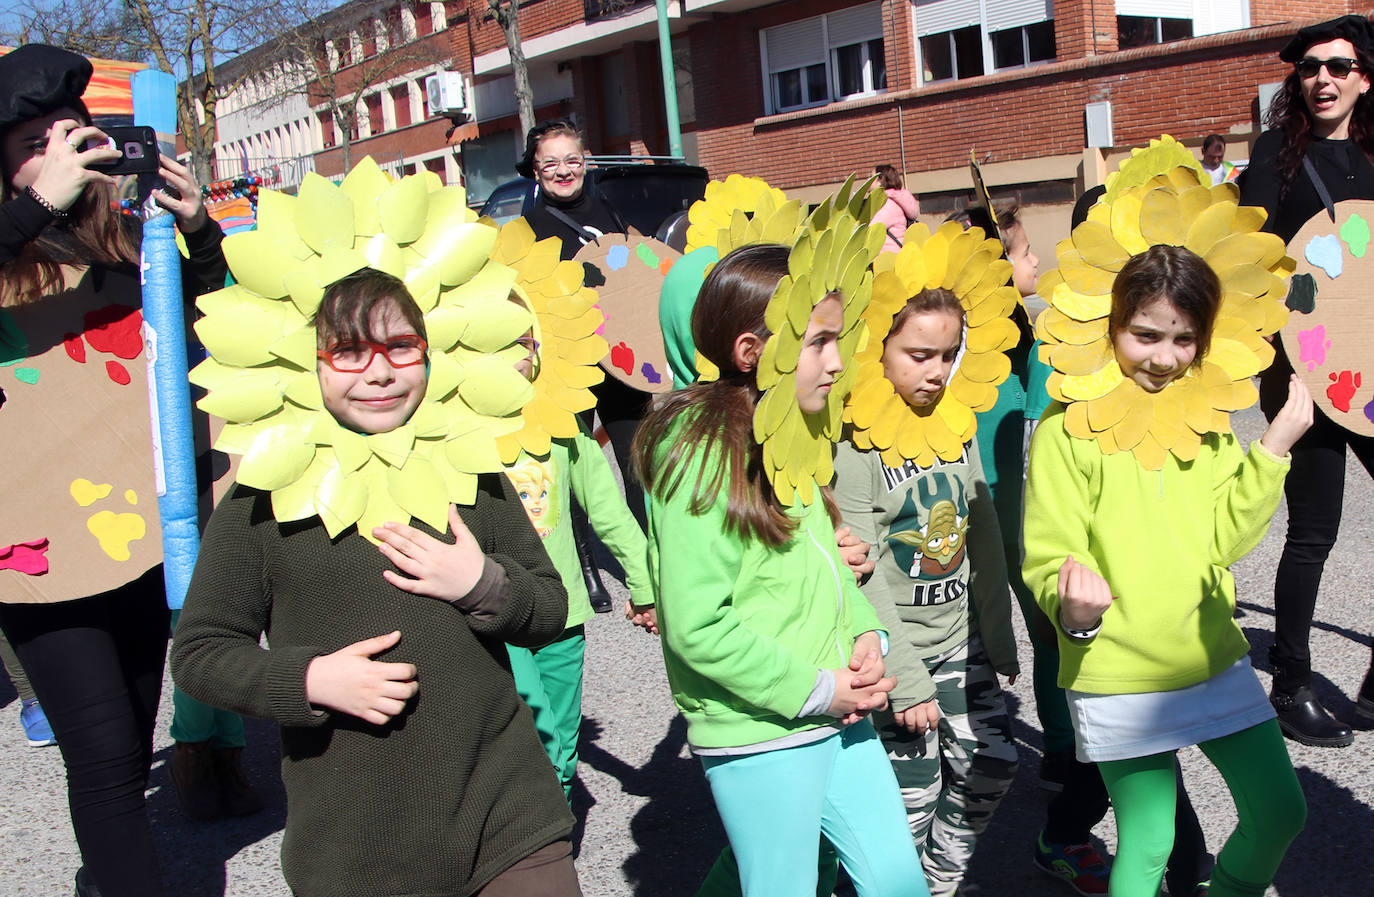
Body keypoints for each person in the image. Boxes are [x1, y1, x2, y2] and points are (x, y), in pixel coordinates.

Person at [171, 268, 581, 897]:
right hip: (356, 845)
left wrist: (482, 584)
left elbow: (551, 608)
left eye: (400, 347)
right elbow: (201, 653)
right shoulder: (262, 497)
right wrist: (309, 679)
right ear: (308, 363)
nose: (380, 372)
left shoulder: (469, 467)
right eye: (349, 351)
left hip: (507, 818)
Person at [0, 44, 226, 897]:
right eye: (31, 141)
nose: (58, 154)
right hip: (33, 544)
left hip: (134, 526)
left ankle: (105, 880)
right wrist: (30, 207)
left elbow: (218, 320)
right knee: (98, 753)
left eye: (70, 135)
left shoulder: (126, 243)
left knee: (130, 739)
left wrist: (197, 228)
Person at [632, 243, 927, 897]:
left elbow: (828, 566)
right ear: (750, 351)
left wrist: (866, 637)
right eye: (819, 341)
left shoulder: (789, 434)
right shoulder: (698, 458)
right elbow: (698, 626)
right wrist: (821, 688)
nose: (839, 360)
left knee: (897, 882)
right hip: (760, 732)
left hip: (835, 713)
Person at [1023, 244, 1311, 897]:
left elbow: (1224, 540)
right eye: (1145, 334)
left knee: (1280, 811)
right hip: (1117, 668)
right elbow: (1049, 550)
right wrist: (1070, 606)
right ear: (1112, 325)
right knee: (1150, 840)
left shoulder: (1204, 420)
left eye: (1184, 340)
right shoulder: (1067, 427)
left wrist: (1271, 448)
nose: (1163, 356)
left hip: (1209, 652)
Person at [832, 285, 1018, 897]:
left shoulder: (953, 424)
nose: (937, 373)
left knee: (992, 762)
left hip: (963, 645)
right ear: (875, 351)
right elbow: (860, 573)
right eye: (918, 355)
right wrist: (906, 679)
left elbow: (983, 531)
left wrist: (999, 634)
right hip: (896, 658)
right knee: (912, 800)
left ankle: (937, 883)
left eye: (948, 355)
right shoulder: (857, 448)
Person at [1238, 13, 1374, 747]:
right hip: (1306, 369)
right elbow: (1249, 257)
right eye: (1311, 67)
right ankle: (1291, 681)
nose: (1323, 77)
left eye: (1340, 66)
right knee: (1315, 530)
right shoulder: (1274, 157)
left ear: (1364, 78)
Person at [502, 296, 656, 801]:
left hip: (562, 615)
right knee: (535, 738)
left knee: (562, 751)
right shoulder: (454, 432)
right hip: (493, 616)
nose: (511, 357)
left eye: (520, 343)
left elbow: (609, 511)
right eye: (492, 344)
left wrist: (644, 583)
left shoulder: (561, 422)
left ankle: (555, 851)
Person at [517, 117, 638, 612]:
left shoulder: (607, 207)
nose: (563, 170)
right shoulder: (527, 228)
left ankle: (652, 561)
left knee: (639, 463)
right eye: (551, 162)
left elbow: (633, 271)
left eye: (572, 159)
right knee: (576, 467)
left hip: (623, 359)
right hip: (568, 366)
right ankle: (586, 567)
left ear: (585, 162)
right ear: (535, 170)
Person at [873, 164, 920, 253]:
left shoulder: (888, 205)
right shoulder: (896, 201)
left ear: (880, 180)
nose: (868, 181)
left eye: (871, 177)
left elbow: (871, 230)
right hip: (896, 257)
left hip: (888, 261)